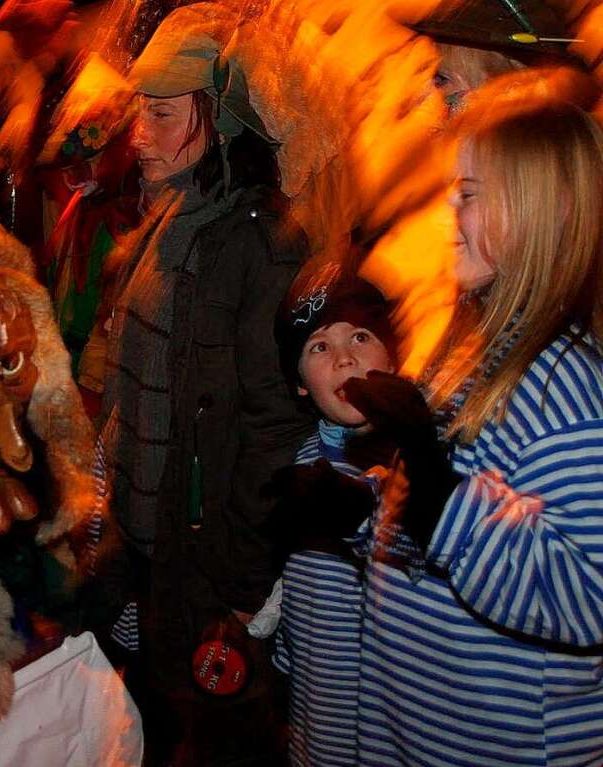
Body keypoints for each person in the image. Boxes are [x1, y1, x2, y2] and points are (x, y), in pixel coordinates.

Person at [345, 101, 603, 766]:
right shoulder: (474, 352)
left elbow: (589, 591)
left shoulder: (564, 389)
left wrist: (440, 498)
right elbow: (447, 518)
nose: (448, 218)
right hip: (427, 729)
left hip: (504, 744)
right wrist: (363, 508)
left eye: (469, 196)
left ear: (547, 211)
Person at [91, 4, 312, 764]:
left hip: (207, 568)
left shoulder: (261, 242)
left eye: (159, 115)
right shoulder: (172, 216)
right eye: (137, 114)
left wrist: (244, 592)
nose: (138, 136)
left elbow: (273, 428)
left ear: (217, 119)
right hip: (149, 549)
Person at [251, 260, 397, 767]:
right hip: (317, 726)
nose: (343, 360)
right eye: (319, 347)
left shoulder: (418, 469)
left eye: (360, 337)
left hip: (390, 732)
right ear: (298, 382)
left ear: (394, 353)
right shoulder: (303, 463)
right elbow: (298, 587)